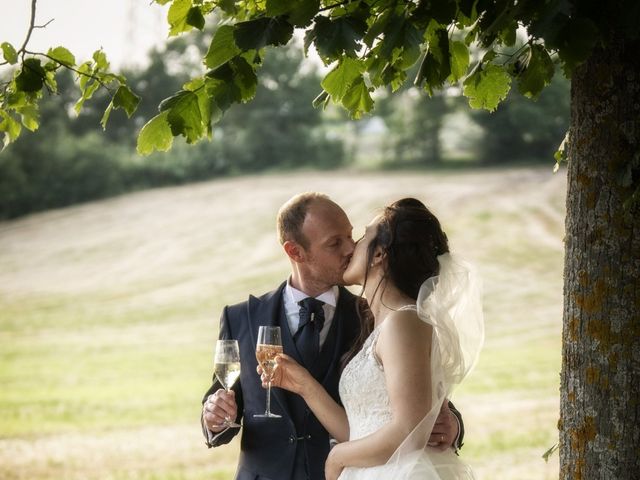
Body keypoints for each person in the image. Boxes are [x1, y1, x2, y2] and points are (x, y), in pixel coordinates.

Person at [201, 193, 465, 480]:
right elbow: (223, 397)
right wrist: (214, 418)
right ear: (295, 252)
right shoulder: (242, 318)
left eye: (352, 236)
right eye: (334, 243)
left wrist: (453, 425)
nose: (350, 248)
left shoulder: (377, 316)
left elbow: (419, 407)